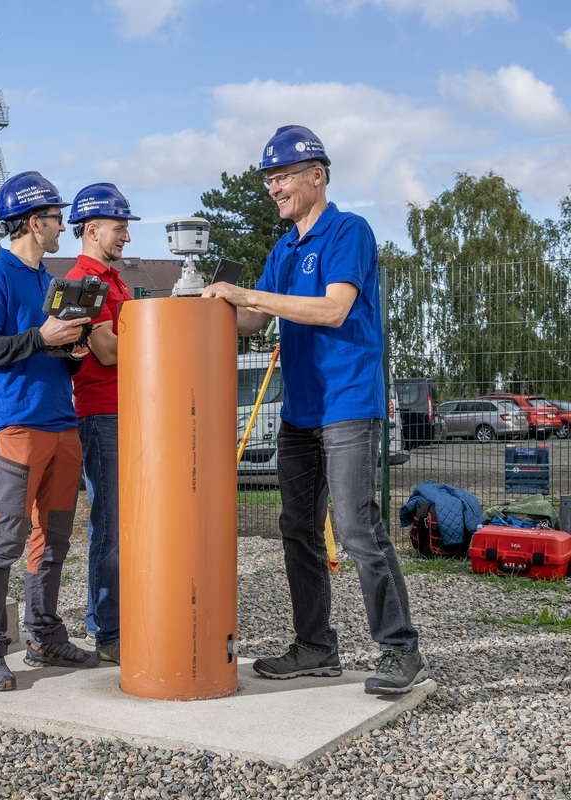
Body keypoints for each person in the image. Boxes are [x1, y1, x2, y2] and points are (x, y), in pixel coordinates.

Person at [202, 125, 428, 695]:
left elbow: (332, 310)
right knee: (297, 528)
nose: (273, 188)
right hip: (302, 411)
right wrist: (207, 306)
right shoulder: (285, 249)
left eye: (281, 177)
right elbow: (252, 320)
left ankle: (401, 649)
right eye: (269, 179)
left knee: (356, 527)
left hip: (348, 404)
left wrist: (248, 296)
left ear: (317, 176)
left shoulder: (348, 232)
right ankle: (314, 646)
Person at [0, 170, 101, 692]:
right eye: (54, 217)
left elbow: (49, 355)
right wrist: (40, 337)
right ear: (31, 222)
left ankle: (43, 637)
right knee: (5, 539)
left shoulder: (51, 283)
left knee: (53, 541)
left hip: (61, 425)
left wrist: (71, 352)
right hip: (16, 426)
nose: (62, 225)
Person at [62, 183, 141, 665]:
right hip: (101, 413)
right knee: (109, 524)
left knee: (129, 523)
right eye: (119, 227)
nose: (126, 236)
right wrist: (158, 331)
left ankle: (123, 620)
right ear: (92, 230)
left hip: (125, 410)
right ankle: (107, 631)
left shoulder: (114, 280)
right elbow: (108, 350)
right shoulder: (83, 281)